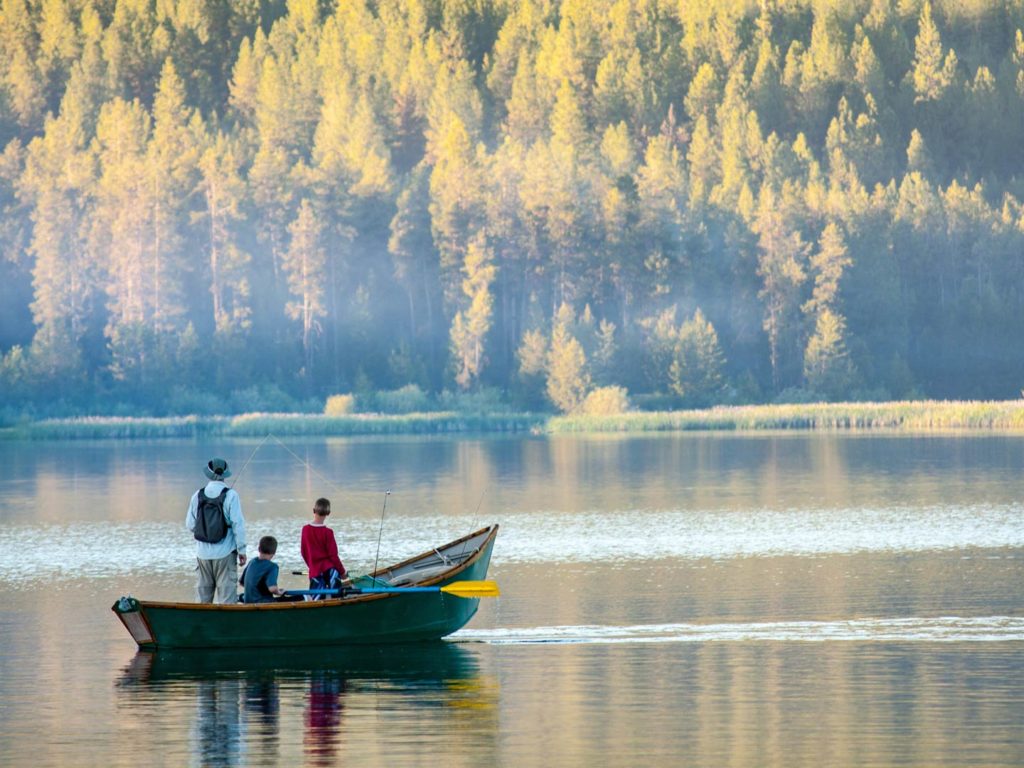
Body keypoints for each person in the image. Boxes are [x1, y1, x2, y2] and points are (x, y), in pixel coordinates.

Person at [186, 457, 247, 604]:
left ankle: (202, 626)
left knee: (202, 601)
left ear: (208, 474)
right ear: (225, 475)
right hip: (226, 554)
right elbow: (238, 525)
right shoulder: (231, 495)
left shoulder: (197, 495)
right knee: (227, 600)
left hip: (202, 555)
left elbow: (190, 525)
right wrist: (242, 550)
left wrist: (206, 532)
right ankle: (226, 626)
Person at [300, 497, 348, 599]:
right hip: (331, 570)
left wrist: (312, 566)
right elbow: (333, 556)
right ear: (328, 513)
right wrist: (343, 572)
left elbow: (304, 552)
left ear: (314, 511)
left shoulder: (305, 530)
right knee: (337, 598)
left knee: (317, 600)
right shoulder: (328, 532)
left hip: (315, 571)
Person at [239, 535, 284, 603]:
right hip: (262, 603)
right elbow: (272, 589)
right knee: (297, 598)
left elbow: (242, 583)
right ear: (274, 552)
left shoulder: (252, 562)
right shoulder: (272, 566)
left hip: (247, 602)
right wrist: (279, 592)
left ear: (259, 548)